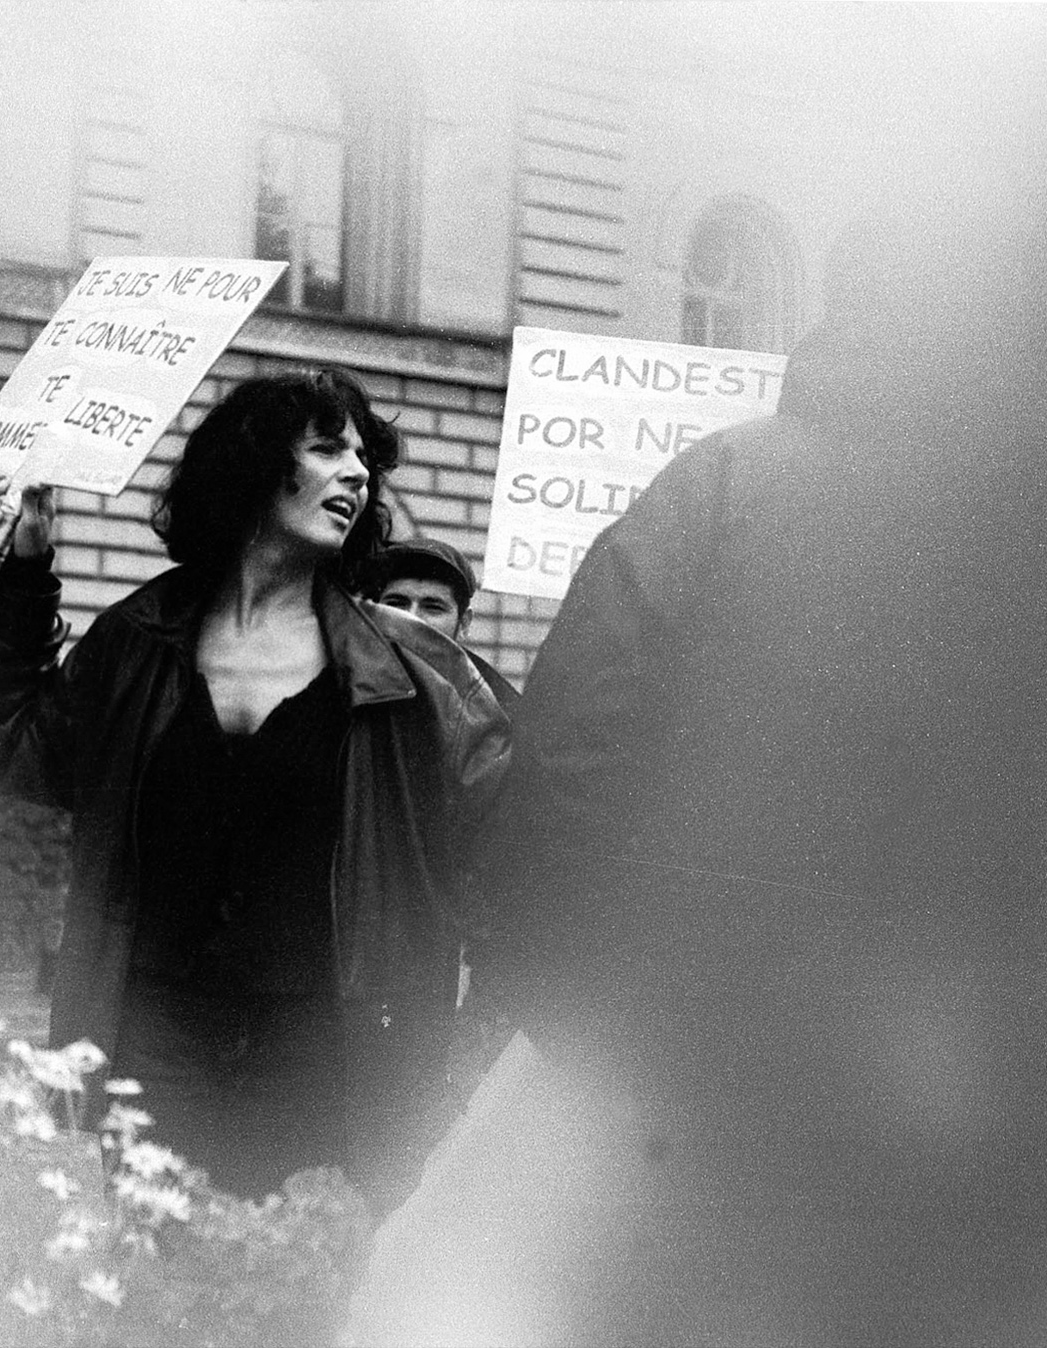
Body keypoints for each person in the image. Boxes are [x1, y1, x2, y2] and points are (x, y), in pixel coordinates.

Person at [356, 205, 1047, 1344]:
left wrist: (560, 1007)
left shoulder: (715, 488)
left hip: (687, 1064)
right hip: (950, 1095)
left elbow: (567, 765)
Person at [0, 368, 510, 1205]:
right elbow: (18, 748)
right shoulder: (139, 638)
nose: (358, 474)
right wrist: (28, 564)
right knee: (161, 1281)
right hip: (157, 1038)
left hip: (329, 1050)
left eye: (364, 457)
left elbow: (516, 825)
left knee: (293, 1295)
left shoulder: (415, 664)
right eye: (328, 450)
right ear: (254, 468)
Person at [365, 537, 519, 707]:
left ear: (464, 624)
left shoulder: (498, 712)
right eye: (396, 604)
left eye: (432, 608)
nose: (412, 617)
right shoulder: (342, 684)